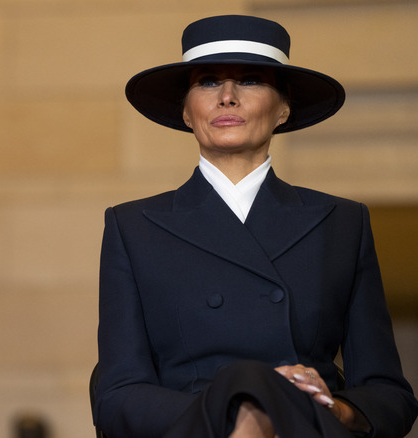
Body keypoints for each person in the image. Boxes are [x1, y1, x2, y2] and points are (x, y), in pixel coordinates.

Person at [93, 15, 418, 438]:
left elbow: (390, 394)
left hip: (308, 426)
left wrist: (333, 408)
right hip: (194, 429)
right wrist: (231, 411)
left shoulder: (343, 223)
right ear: (187, 113)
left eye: (249, 80)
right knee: (247, 384)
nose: (227, 97)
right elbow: (117, 395)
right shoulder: (132, 226)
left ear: (284, 109)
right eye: (208, 82)